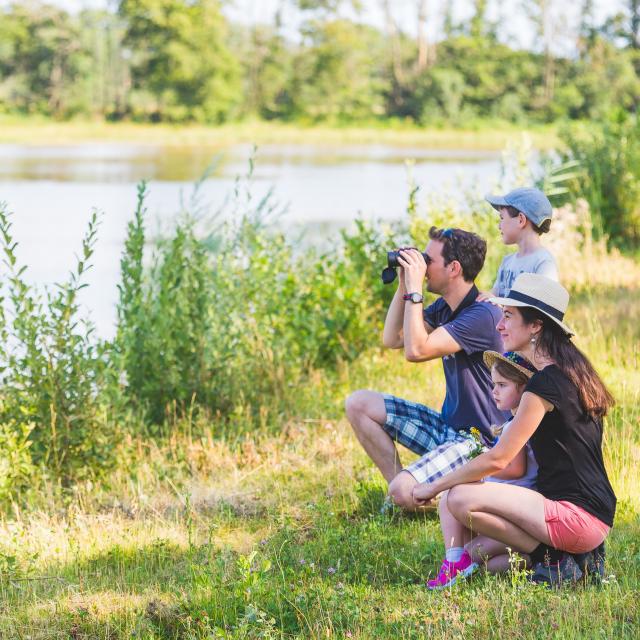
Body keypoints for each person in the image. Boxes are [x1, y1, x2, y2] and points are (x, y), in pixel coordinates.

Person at [412, 273, 616, 586]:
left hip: (575, 516)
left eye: (508, 316)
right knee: (490, 561)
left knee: (459, 498)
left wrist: (433, 486)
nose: (499, 325)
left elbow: (499, 458)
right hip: (594, 514)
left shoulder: (544, 384)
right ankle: (569, 559)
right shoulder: (570, 371)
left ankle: (557, 561)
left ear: (536, 326)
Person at [344, 227, 506, 511]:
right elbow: (393, 339)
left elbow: (415, 350)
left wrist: (417, 292)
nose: (422, 266)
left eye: (427, 260)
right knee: (358, 403)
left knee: (403, 492)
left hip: (478, 444)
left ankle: (431, 496)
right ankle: (403, 496)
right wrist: (405, 286)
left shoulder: (483, 315)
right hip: (449, 429)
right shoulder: (445, 307)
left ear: (454, 268)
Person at [427, 350, 538, 589]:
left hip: (516, 499)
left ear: (523, 388)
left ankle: (455, 560)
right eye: (493, 384)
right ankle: (525, 561)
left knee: (449, 496)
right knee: (484, 564)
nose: (494, 391)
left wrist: (482, 471)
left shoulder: (516, 427)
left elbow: (515, 468)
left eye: (502, 385)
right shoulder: (515, 423)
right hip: (515, 500)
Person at [481, 187, 558, 299]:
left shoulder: (544, 263)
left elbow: (541, 310)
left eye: (502, 218)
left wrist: (496, 302)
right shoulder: (507, 262)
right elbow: (495, 294)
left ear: (521, 220)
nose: (499, 226)